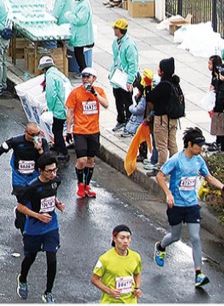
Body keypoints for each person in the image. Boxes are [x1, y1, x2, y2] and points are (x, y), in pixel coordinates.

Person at [155, 126, 222, 290]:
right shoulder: (176, 160)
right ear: (190, 145)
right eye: (198, 145)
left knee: (195, 237)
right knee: (175, 236)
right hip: (176, 205)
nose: (201, 148)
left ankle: (198, 273)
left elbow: (209, 177)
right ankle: (161, 247)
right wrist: (168, 194)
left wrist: (222, 187)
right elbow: (160, 176)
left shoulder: (199, 161)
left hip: (192, 205)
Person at [0, 122, 50, 235]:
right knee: (23, 203)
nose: (35, 137)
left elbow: (47, 160)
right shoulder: (16, 141)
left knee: (34, 204)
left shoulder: (42, 142)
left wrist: (39, 150)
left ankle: (19, 215)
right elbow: (1, 150)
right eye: (32, 135)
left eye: (38, 134)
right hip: (19, 178)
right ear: (26, 133)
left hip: (35, 177)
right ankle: (25, 233)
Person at [15, 154, 64, 303]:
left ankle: (48, 292)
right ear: (40, 170)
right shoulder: (32, 187)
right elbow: (20, 207)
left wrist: (57, 203)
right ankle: (22, 279)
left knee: (52, 259)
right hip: (34, 228)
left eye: (54, 170)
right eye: (49, 171)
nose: (53, 174)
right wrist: (37, 216)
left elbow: (51, 194)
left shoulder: (56, 181)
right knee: (30, 258)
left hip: (51, 226)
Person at [66, 67, 107, 198]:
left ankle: (87, 185)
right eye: (83, 77)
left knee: (90, 160)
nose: (85, 79)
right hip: (80, 131)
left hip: (94, 131)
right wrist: (68, 130)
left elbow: (106, 104)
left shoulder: (99, 91)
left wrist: (95, 94)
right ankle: (80, 184)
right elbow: (70, 112)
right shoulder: (75, 92)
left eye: (88, 77)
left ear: (94, 79)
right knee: (82, 160)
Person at [147, 56, 186, 168]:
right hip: (173, 119)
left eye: (159, 68)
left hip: (162, 119)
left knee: (161, 145)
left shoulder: (164, 85)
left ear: (163, 71)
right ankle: (175, 166)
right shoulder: (175, 83)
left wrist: (148, 86)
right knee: (172, 144)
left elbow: (150, 97)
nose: (158, 70)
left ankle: (161, 168)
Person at [92, 224, 142, 304]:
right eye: (122, 238)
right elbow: (94, 279)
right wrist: (110, 291)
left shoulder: (136, 257)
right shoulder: (104, 259)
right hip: (111, 302)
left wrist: (137, 288)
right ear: (114, 239)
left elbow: (137, 273)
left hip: (131, 301)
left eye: (128, 238)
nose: (125, 241)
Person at [109, 19, 139, 133]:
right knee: (118, 99)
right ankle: (121, 119)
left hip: (125, 78)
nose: (113, 30)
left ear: (119, 30)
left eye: (115, 28)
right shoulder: (116, 43)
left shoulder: (129, 45)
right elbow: (116, 60)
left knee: (127, 101)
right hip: (117, 77)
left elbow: (133, 64)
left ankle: (129, 122)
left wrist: (130, 80)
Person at [39, 56, 71, 159]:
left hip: (59, 108)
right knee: (56, 128)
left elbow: (51, 94)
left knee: (57, 130)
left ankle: (63, 151)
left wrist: (50, 107)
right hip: (65, 106)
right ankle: (57, 145)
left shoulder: (50, 76)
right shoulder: (58, 74)